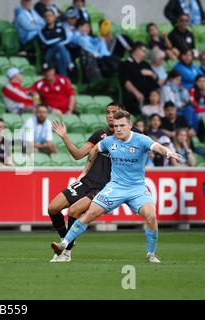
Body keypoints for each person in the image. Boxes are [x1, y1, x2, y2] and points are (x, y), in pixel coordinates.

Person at [51, 111, 182, 263]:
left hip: (137, 189)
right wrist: (86, 171)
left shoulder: (140, 139)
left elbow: (157, 147)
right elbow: (94, 150)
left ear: (130, 126)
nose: (118, 129)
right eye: (116, 126)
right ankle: (64, 246)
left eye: (122, 126)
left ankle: (151, 254)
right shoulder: (109, 141)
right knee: (89, 214)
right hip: (115, 187)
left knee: (151, 216)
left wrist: (168, 153)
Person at [48, 102, 126, 262]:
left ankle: (65, 252)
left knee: (74, 211)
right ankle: (68, 241)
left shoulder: (130, 136)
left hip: (105, 187)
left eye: (114, 112)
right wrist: (64, 136)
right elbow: (77, 155)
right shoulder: (100, 135)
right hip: (87, 181)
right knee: (53, 208)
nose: (110, 115)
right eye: (108, 112)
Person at [118, 42, 160, 115]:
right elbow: (126, 82)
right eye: (143, 51)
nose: (145, 53)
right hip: (135, 93)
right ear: (137, 50)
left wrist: (151, 73)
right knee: (129, 97)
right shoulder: (126, 64)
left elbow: (156, 78)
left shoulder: (145, 64)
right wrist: (137, 93)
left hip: (150, 93)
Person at [38, 9, 76, 77]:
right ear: (43, 18)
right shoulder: (42, 31)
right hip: (49, 54)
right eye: (46, 16)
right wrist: (59, 39)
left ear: (54, 17)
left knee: (58, 55)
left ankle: (63, 78)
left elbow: (67, 39)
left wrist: (58, 42)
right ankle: (69, 64)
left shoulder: (61, 28)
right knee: (58, 46)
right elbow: (47, 42)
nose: (48, 18)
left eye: (50, 15)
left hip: (60, 52)